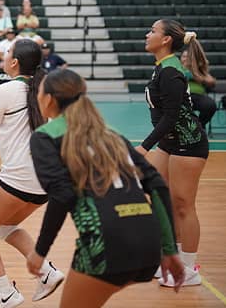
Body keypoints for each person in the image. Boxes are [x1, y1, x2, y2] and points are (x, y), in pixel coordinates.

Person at [27, 69, 184, 307]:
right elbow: (158, 185)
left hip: (106, 244)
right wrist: (170, 248)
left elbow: (62, 194)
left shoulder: (44, 137)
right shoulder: (111, 134)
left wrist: (40, 251)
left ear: (48, 99)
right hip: (149, 243)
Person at [0, 39, 65, 308]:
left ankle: (5, 293)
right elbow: (7, 135)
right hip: (46, 182)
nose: (4, 55)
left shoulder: (5, 90)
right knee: (6, 226)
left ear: (15, 62)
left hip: (19, 178)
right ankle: (46, 271)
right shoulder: (47, 90)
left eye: (7, 52)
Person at [139, 20, 209, 287]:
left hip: (188, 144)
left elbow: (170, 117)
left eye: (153, 31)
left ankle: (189, 268)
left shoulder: (170, 71)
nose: (148, 34)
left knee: (183, 204)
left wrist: (144, 146)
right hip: (170, 142)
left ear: (166, 39)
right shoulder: (162, 68)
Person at [181, 44, 217, 128]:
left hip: (198, 96)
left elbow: (212, 82)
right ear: (180, 58)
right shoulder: (177, 68)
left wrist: (198, 77)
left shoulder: (198, 69)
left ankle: (199, 126)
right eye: (184, 56)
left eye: (188, 57)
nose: (186, 59)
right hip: (182, 97)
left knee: (210, 105)